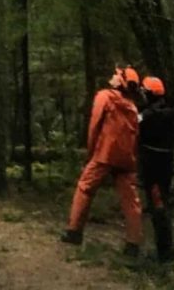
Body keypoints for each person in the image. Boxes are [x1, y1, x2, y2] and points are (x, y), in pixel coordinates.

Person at [60, 65, 142, 256]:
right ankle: (133, 243)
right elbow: (136, 135)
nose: (113, 76)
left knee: (84, 188)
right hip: (126, 158)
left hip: (104, 154)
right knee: (131, 200)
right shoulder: (132, 106)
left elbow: (94, 125)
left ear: (121, 80)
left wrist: (91, 151)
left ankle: (74, 231)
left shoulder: (104, 96)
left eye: (116, 74)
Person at [139, 75, 174, 262]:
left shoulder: (146, 117)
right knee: (162, 201)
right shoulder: (172, 113)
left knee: (158, 205)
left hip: (152, 164)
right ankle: (165, 248)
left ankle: (164, 251)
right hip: (167, 162)